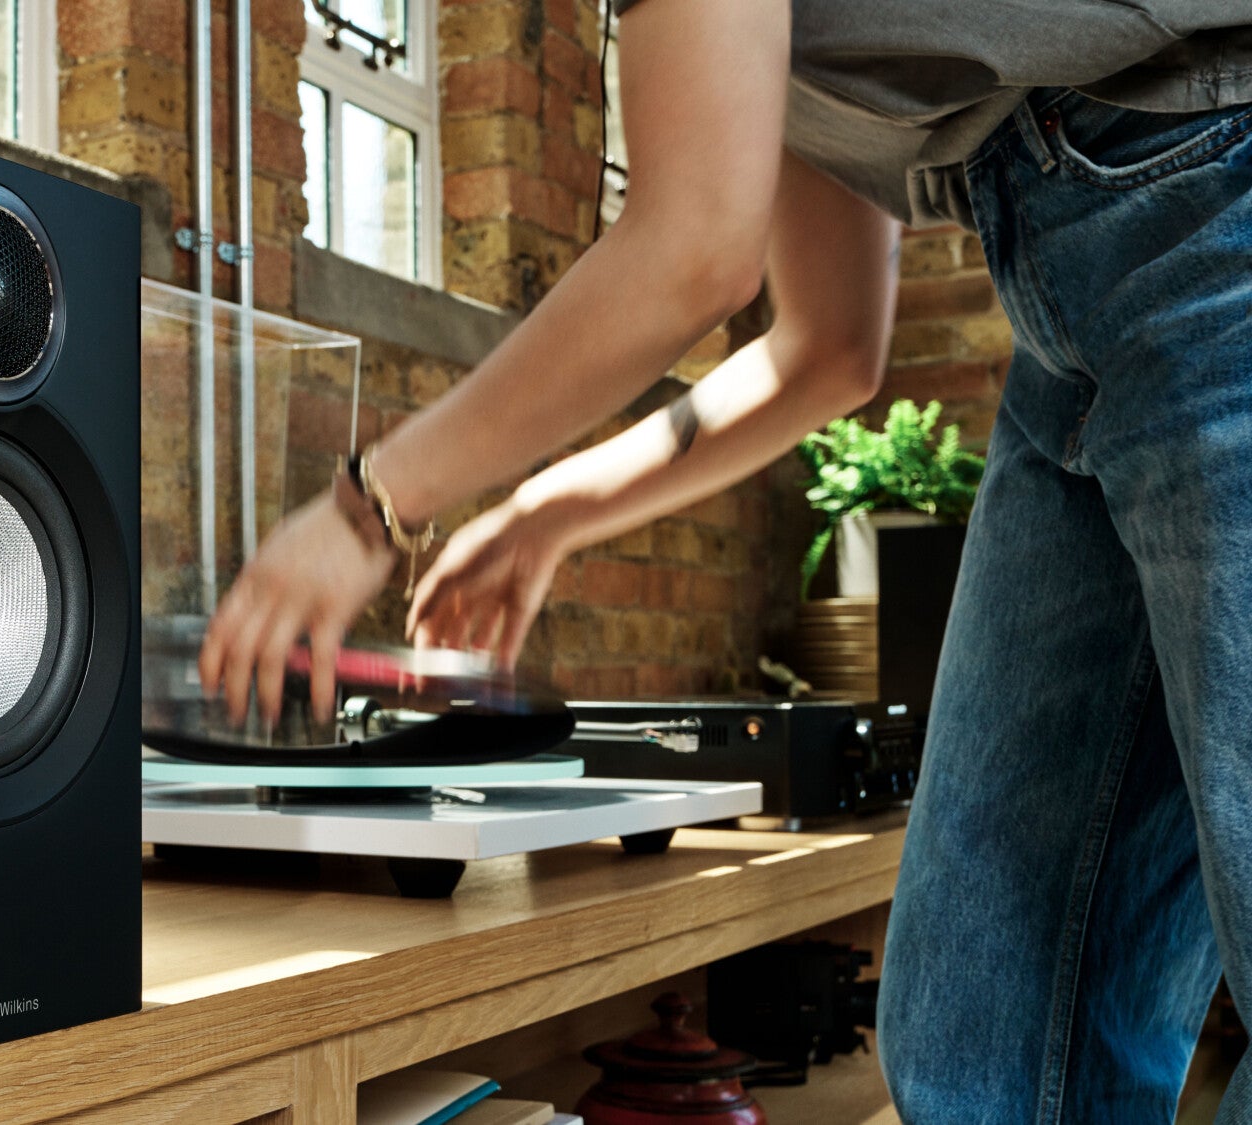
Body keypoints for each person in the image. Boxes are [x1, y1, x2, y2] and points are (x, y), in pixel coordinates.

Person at [198, 0, 1252, 1119]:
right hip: (1072, 293)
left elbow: (690, 248)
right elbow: (823, 346)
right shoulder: (810, 64)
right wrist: (551, 507)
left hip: (1215, 200)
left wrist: (368, 509)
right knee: (983, 1043)